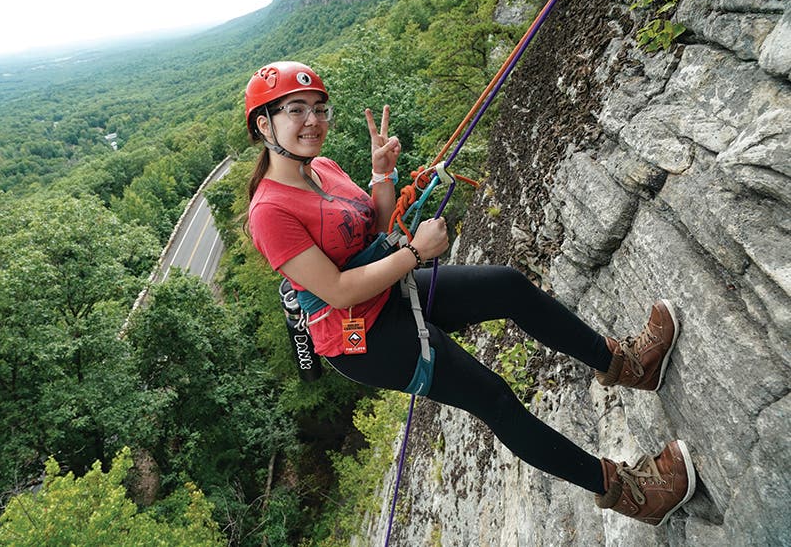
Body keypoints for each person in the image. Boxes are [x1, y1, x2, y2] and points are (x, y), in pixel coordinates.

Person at [243, 61, 696, 526]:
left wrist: (382, 176)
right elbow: (337, 291)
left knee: (506, 285)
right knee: (493, 398)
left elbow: (372, 232)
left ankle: (626, 365)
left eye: (319, 108)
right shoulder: (270, 211)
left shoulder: (322, 167)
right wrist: (415, 255)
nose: (313, 121)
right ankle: (633, 494)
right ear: (265, 124)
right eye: (296, 111)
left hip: (384, 290)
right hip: (362, 336)